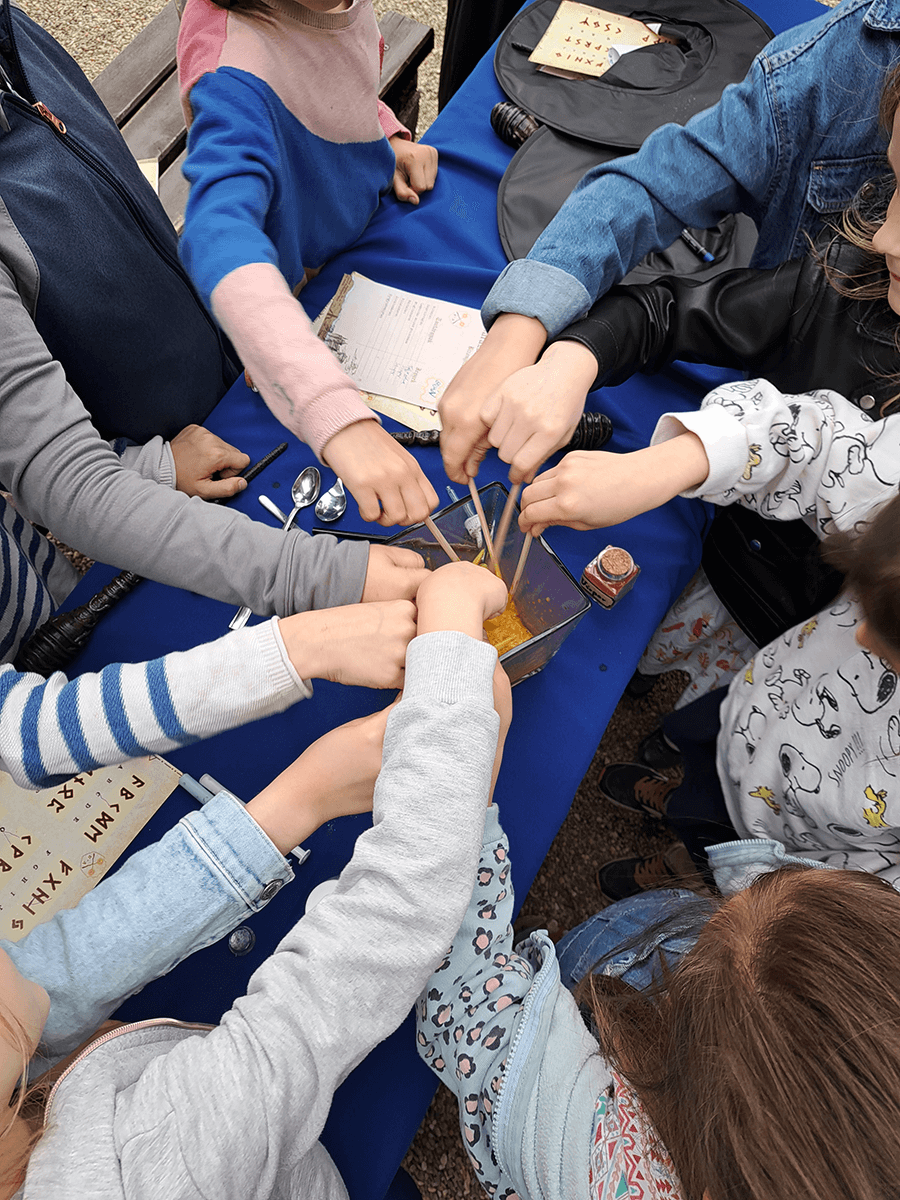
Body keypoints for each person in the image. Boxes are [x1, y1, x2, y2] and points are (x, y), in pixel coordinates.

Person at [0, 560, 510, 1199]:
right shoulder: (162, 1165)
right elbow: (386, 926)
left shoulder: (15, 1033)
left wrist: (304, 796)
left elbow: (64, 968)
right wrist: (453, 670)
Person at [436, 0, 900, 485]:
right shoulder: (842, 59)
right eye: (888, 187)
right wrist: (523, 333)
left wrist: (677, 465)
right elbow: (659, 187)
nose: (876, 236)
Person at [418, 821, 900, 1200]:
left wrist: (458, 799)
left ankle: (543, 979)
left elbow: (466, 995)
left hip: (571, 1024)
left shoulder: (604, 1164)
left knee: (591, 961)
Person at [176, 0, 441, 528]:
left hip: (357, 235)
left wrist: (383, 134)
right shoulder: (233, 74)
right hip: (290, 297)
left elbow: (329, 77)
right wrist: (329, 409)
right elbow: (216, 235)